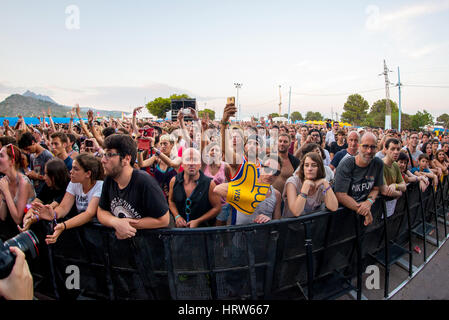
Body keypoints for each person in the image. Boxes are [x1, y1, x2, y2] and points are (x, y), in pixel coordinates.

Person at [97, 134, 170, 239]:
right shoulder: (109, 179)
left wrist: (127, 225)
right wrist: (115, 222)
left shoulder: (145, 182)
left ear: (126, 159)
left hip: (147, 249)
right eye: (103, 155)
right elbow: (101, 211)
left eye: (109, 155)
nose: (103, 160)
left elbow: (164, 220)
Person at [32, 153, 104, 244]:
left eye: (76, 169)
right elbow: (63, 207)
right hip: (84, 235)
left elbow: (89, 214)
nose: (71, 171)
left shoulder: (100, 186)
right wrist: (53, 214)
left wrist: (64, 225)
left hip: (99, 235)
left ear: (88, 173)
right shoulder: (74, 183)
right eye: (72, 167)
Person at [214, 155, 283, 224]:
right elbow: (217, 189)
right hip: (241, 233)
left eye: (276, 172)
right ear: (261, 167)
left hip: (263, 233)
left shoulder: (276, 195)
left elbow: (277, 224)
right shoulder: (246, 185)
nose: (271, 174)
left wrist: (268, 219)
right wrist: (246, 194)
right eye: (268, 169)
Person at [334, 132, 385, 226]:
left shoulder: (378, 163)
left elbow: (376, 188)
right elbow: (341, 195)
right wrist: (365, 211)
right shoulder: (347, 164)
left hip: (363, 217)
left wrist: (368, 202)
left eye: (373, 147)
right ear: (358, 146)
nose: (369, 151)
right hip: (343, 216)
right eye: (365, 146)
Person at [168, 148, 221, 228]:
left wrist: (198, 221)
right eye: (188, 159)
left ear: (200, 164)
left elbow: (217, 208)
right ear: (182, 164)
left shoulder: (209, 184)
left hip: (203, 233)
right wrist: (177, 216)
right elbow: (171, 201)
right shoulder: (174, 181)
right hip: (180, 233)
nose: (191, 163)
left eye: (195, 160)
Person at [20, 158, 71, 232]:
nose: (44, 177)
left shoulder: (68, 186)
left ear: (55, 176)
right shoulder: (48, 185)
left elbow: (52, 207)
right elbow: (37, 201)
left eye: (47, 174)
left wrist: (31, 220)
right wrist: (28, 214)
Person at [283, 152, 338, 217]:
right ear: (302, 168)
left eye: (314, 165)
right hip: (291, 225)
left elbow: (333, 207)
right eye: (306, 165)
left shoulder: (321, 185)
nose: (309, 169)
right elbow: (296, 212)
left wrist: (325, 183)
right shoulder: (292, 182)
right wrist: (305, 189)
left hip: (312, 225)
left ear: (319, 168)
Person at [0, 144, 36, 228]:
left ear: (11, 161)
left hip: (25, 228)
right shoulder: (4, 181)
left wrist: (6, 192)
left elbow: (18, 219)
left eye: (1, 156)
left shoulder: (23, 182)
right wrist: (3, 196)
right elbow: (2, 216)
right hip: (9, 228)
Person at [137, 134, 180, 198]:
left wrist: (153, 148)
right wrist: (139, 150)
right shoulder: (157, 157)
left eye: (165, 144)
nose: (162, 146)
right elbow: (141, 164)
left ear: (172, 145)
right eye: (161, 144)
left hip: (173, 196)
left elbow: (171, 164)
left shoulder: (177, 158)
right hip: (158, 195)